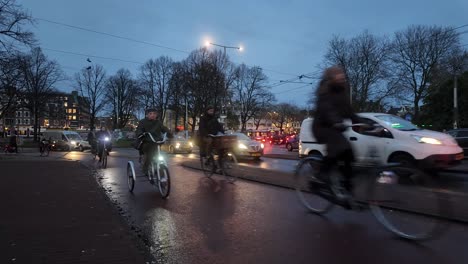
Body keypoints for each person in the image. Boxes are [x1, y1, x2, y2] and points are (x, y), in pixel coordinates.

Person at [312, 66, 363, 197]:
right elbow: (327, 109)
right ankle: (321, 175)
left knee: (349, 153)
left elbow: (349, 111)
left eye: (342, 74)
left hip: (335, 127)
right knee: (338, 147)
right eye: (338, 74)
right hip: (322, 127)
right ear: (331, 77)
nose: (342, 76)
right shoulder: (324, 91)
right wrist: (336, 121)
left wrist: (362, 122)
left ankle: (346, 186)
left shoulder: (342, 92)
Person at [136, 108, 172, 173]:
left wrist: (169, 133)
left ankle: (159, 166)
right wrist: (140, 133)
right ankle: (145, 167)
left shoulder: (158, 122)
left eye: (154, 114)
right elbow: (139, 129)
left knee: (160, 154)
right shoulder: (143, 122)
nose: (152, 115)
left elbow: (164, 129)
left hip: (156, 141)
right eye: (150, 114)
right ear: (147, 115)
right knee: (149, 154)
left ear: (156, 115)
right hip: (146, 141)